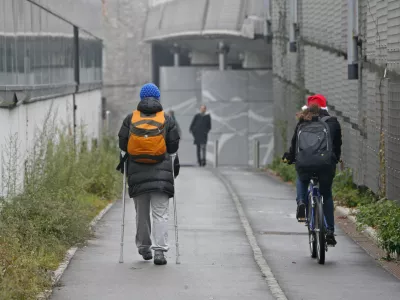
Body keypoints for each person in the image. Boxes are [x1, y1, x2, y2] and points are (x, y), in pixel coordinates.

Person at [117, 83, 180, 265]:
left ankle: (144, 248)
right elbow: (173, 146)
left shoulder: (131, 118)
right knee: (160, 214)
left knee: (141, 214)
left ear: (141, 98)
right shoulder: (166, 119)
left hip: (137, 173)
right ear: (158, 98)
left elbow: (122, 145)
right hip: (161, 175)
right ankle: (159, 251)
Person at [282, 94, 342, 246]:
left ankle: (302, 202)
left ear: (308, 108)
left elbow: (295, 145)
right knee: (326, 194)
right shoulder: (333, 122)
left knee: (302, 178)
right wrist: (334, 159)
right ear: (324, 107)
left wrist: (289, 158)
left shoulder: (303, 122)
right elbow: (337, 145)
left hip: (305, 164)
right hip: (326, 164)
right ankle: (329, 231)